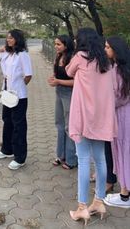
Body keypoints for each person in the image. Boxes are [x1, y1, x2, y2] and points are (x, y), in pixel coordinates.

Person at [66, 28, 117, 224]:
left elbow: (69, 71)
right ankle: (99, 201)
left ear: (81, 40)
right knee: (101, 160)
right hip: (102, 118)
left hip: (84, 117)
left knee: (84, 160)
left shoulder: (80, 56)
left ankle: (81, 207)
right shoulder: (105, 61)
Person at [0, 29, 32, 170]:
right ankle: (7, 150)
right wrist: (5, 48)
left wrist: (19, 87)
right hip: (7, 95)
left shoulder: (23, 55)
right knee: (7, 121)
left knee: (19, 126)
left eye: (11, 38)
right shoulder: (9, 54)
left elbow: (28, 75)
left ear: (18, 39)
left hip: (19, 96)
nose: (8, 40)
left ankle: (20, 157)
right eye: (7, 38)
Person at [104, 36, 130, 209]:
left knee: (123, 152)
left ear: (116, 50)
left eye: (107, 47)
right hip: (124, 115)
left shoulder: (117, 71)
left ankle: (124, 196)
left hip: (121, 117)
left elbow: (118, 98)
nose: (105, 50)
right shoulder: (122, 69)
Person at [48, 35, 77, 170]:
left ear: (66, 45)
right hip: (59, 92)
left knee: (69, 126)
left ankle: (71, 159)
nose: (56, 46)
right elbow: (57, 74)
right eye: (55, 44)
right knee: (59, 124)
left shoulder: (73, 59)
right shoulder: (58, 57)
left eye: (58, 44)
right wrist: (54, 78)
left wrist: (59, 81)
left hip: (70, 94)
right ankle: (61, 155)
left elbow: (76, 81)